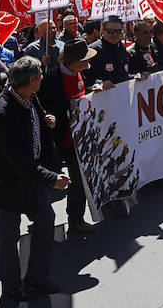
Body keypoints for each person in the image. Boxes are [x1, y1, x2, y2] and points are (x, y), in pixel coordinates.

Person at [0, 56, 67, 302]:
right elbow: (17, 159)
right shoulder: (1, 113)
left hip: (32, 177)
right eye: (40, 76)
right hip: (8, 184)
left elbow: (34, 128)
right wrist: (51, 178)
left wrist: (45, 120)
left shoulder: (30, 98)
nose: (42, 79)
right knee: (8, 237)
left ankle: (36, 279)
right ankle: (11, 289)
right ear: (31, 80)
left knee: (46, 221)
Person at [35, 40, 99, 237]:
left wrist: (94, 88)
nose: (88, 63)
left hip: (81, 135)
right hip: (63, 139)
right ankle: (73, 220)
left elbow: (84, 87)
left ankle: (76, 218)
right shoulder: (51, 80)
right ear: (74, 62)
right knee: (75, 180)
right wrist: (67, 108)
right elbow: (44, 108)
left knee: (80, 178)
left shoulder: (79, 72)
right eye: (85, 60)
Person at [86, 15, 131, 88]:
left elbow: (124, 75)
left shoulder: (122, 48)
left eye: (118, 31)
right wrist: (99, 83)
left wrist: (137, 75)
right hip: (103, 94)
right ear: (103, 30)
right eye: (111, 31)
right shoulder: (92, 51)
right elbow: (84, 77)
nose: (115, 35)